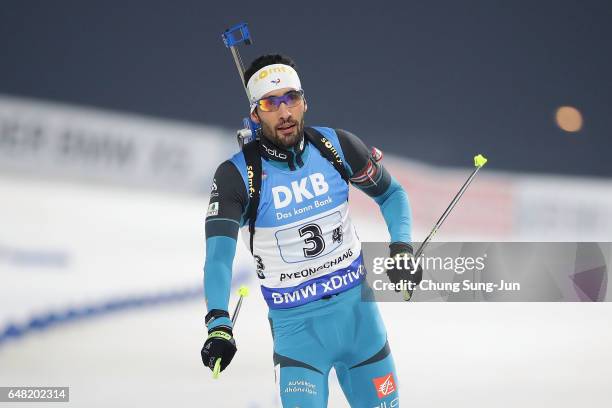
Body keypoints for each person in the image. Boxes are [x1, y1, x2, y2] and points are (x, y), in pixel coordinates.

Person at [201, 54, 419, 407]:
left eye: (292, 99)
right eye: (271, 103)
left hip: (360, 325)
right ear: (255, 114)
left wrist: (402, 249)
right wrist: (218, 323)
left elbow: (392, 194)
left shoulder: (336, 146)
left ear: (305, 102)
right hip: (298, 337)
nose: (285, 113)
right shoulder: (237, 176)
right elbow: (218, 258)